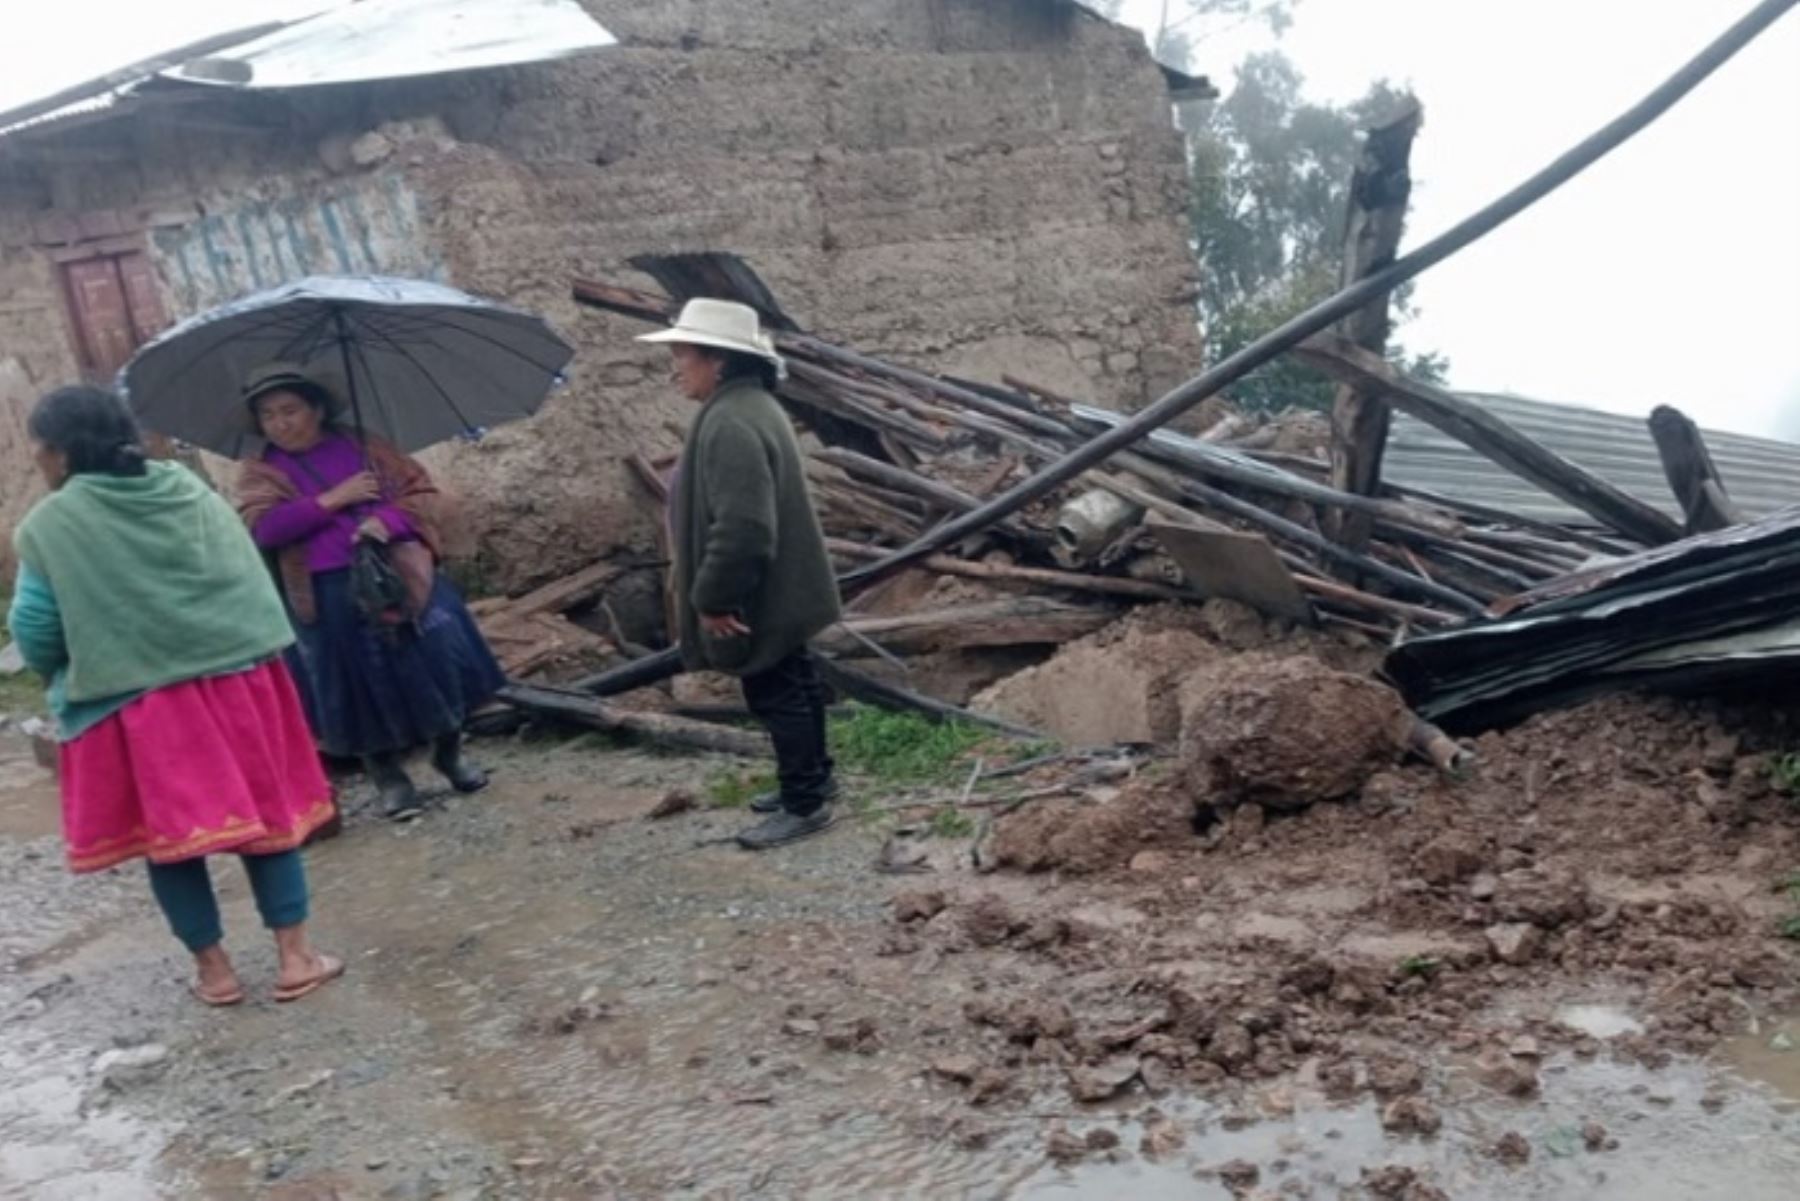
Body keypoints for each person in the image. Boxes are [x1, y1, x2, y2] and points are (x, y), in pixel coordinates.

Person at [8, 386, 342, 1006]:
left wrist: (78, 662)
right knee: (267, 824)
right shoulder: (187, 489)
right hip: (236, 685)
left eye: (38, 449)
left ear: (60, 453)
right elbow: (242, 573)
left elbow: (34, 631)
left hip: (138, 709)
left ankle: (215, 973)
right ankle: (296, 958)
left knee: (169, 843)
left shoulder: (49, 526)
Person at [234, 363, 505, 822]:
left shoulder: (365, 446)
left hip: (398, 578)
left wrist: (388, 521)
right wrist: (331, 500)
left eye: (290, 410)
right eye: (268, 416)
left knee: (435, 662)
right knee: (356, 685)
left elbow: (422, 493)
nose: (281, 423)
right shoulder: (261, 472)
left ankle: (449, 753)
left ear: (317, 408)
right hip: (326, 591)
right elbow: (263, 527)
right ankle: (390, 778)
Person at [639, 299, 844, 850]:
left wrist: (714, 598)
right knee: (796, 683)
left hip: (762, 593)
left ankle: (805, 804)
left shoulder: (732, 421)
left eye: (683, 354)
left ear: (719, 361)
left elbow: (745, 527)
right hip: (783, 586)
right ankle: (814, 779)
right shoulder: (748, 407)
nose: (675, 366)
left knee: (777, 694)